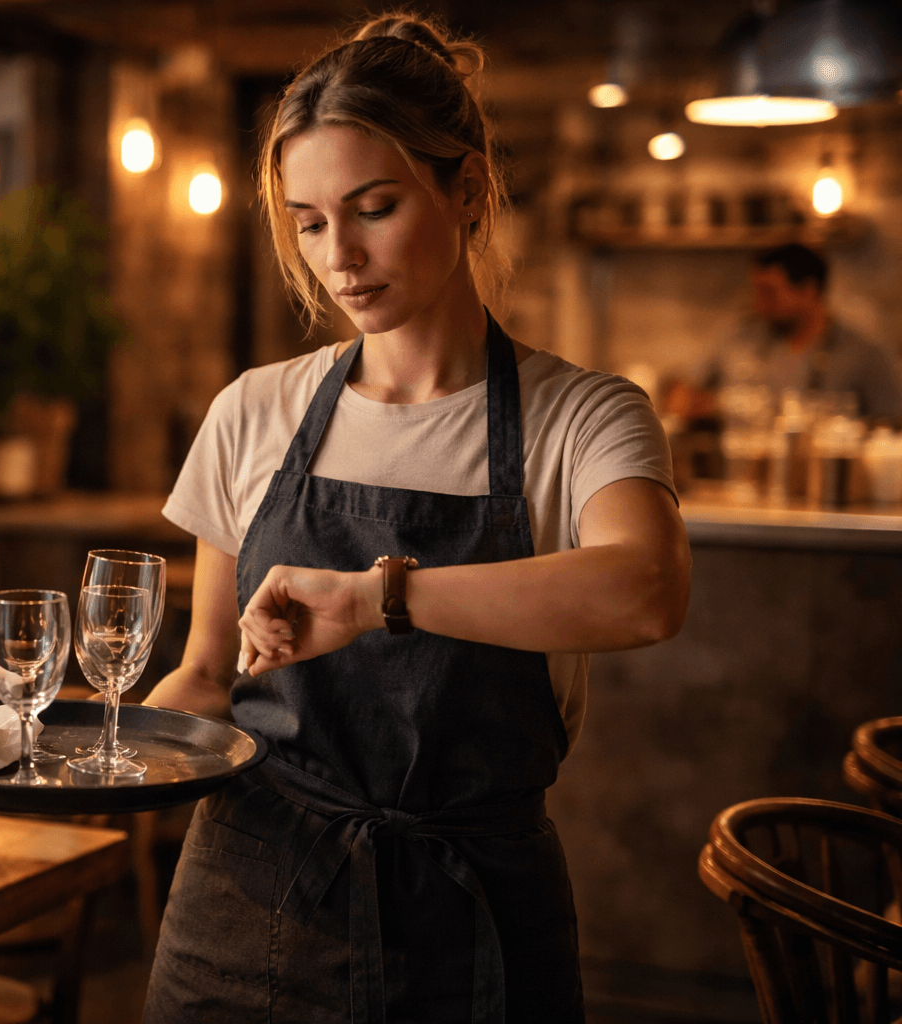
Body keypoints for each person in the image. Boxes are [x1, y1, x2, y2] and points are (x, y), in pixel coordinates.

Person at [142, 13, 691, 1023]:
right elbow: (209, 674)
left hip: (476, 916)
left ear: (469, 192)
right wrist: (107, 753)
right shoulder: (253, 411)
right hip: (246, 904)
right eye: (308, 221)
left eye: (374, 207)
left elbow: (646, 591)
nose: (338, 255)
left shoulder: (584, 415)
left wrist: (377, 597)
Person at [666, 243, 902, 422]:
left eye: (769, 292)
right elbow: (680, 396)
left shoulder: (865, 353)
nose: (758, 303)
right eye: (756, 291)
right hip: (739, 477)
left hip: (823, 478)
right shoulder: (740, 336)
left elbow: (890, 428)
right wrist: (716, 404)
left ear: (809, 290)